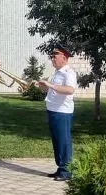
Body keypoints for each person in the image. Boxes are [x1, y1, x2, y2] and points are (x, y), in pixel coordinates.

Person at [35, 42, 77, 182]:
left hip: (62, 112)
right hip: (53, 110)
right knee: (57, 141)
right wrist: (43, 86)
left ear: (64, 58)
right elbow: (53, 90)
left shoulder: (68, 73)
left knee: (64, 141)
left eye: (54, 56)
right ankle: (60, 168)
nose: (52, 59)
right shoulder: (57, 73)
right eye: (51, 56)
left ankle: (66, 171)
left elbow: (70, 90)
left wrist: (50, 85)